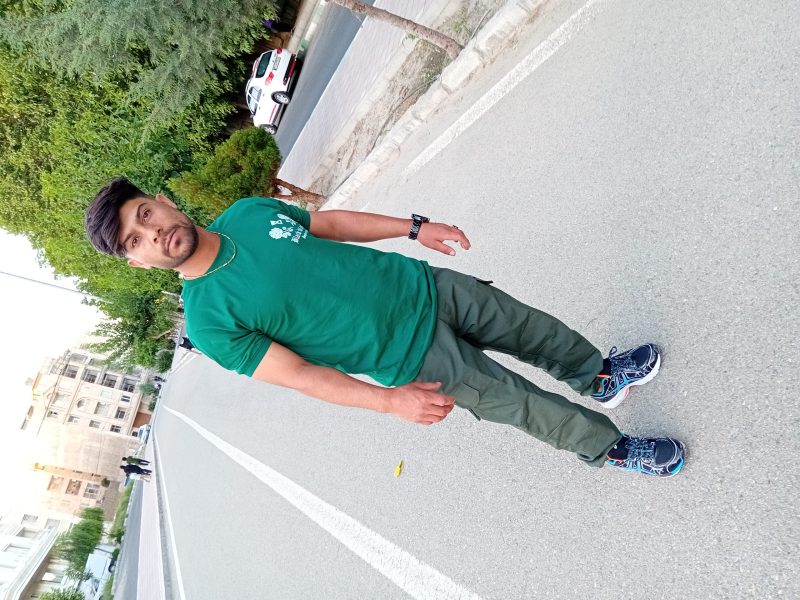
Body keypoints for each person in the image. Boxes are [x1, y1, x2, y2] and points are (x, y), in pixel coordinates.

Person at [86, 178, 686, 477]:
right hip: (410, 358)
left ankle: (598, 375)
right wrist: (388, 401)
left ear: (162, 201)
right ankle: (611, 448)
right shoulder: (210, 320)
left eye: (146, 214)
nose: (153, 233)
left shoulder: (247, 213)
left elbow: (328, 225)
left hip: (426, 287)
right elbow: (301, 375)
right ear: (138, 263)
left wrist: (413, 226)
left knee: (535, 329)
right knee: (523, 405)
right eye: (136, 241)